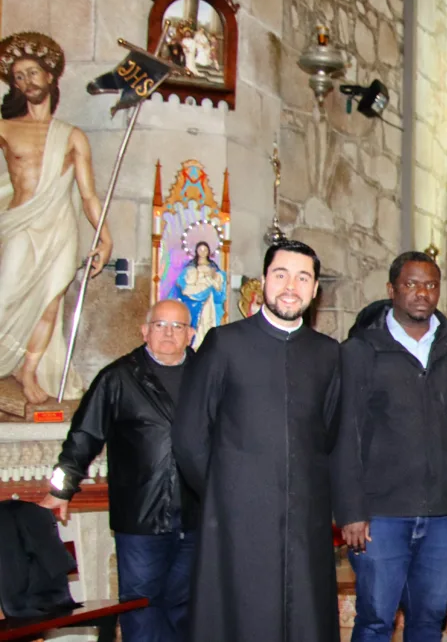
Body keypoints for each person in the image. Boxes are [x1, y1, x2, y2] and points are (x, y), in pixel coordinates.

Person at [172, 239, 342, 642]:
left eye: (303, 278)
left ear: (315, 289)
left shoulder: (328, 354)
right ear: (263, 280)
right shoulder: (224, 343)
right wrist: (224, 492)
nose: (291, 287)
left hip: (305, 520)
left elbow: (330, 433)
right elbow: (189, 434)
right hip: (234, 519)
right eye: (281, 275)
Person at [333, 251, 447, 642]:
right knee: (376, 619)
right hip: (380, 515)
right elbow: (345, 433)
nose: (422, 293)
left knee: (429, 618)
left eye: (430, 285)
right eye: (411, 284)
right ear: (392, 289)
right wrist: (350, 510)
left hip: (440, 513)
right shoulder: (360, 350)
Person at [39, 299, 196, 642]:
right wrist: (60, 489)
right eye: (160, 325)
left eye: (178, 326)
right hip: (141, 518)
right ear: (144, 331)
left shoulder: (207, 376)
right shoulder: (118, 377)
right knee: (141, 606)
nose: (168, 333)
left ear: (191, 334)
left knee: (186, 609)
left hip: (196, 518)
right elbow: (83, 437)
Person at [0, 31, 111, 404]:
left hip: (59, 227)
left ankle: (29, 371)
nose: (27, 81)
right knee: (5, 295)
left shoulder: (71, 136)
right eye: (19, 76)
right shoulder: (6, 128)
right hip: (21, 223)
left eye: (33, 73)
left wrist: (105, 237)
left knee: (50, 302)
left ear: (49, 76)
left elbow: (88, 194)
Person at [172, 241, 227, 348]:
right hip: (194, 299)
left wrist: (212, 278)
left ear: (209, 251)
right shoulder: (191, 266)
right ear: (196, 251)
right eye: (200, 249)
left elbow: (219, 283)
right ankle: (195, 343)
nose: (203, 252)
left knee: (207, 319)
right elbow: (183, 283)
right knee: (195, 321)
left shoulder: (213, 266)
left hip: (208, 298)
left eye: (205, 250)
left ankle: (206, 342)